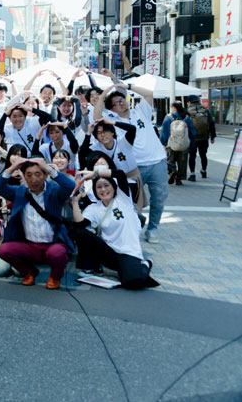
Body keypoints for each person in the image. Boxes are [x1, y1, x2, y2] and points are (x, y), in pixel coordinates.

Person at [95, 82, 168, 243]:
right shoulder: (110, 121)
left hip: (157, 162)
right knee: (131, 200)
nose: (122, 103)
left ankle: (153, 228)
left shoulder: (140, 110)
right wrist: (103, 95)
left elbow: (149, 93)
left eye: (123, 100)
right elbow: (96, 116)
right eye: (117, 103)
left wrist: (127, 86)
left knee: (159, 197)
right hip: (133, 167)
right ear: (112, 109)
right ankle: (133, 226)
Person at [0, 157, 75, 289]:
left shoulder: (54, 191)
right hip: (29, 245)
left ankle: (55, 277)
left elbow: (70, 186)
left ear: (44, 175)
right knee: (4, 250)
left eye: (38, 174)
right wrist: (13, 167)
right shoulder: (19, 192)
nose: (34, 179)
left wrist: (49, 168)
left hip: (52, 244)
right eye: (29, 175)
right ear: (24, 177)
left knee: (58, 253)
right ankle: (30, 272)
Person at [71, 171, 159, 289]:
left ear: (114, 187)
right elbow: (81, 224)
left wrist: (93, 174)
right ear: (95, 191)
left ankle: (145, 264)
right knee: (80, 232)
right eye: (99, 187)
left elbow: (120, 174)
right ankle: (92, 267)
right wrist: (75, 202)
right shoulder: (94, 208)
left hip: (128, 253)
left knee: (132, 283)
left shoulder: (123, 198)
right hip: (109, 252)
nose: (103, 189)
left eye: (106, 185)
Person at [161, 101, 196, 186]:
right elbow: (193, 132)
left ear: (173, 107)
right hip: (184, 144)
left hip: (171, 143)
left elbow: (164, 132)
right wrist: (190, 141)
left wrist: (163, 142)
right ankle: (179, 179)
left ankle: (172, 171)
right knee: (182, 162)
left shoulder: (168, 117)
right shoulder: (187, 118)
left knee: (170, 160)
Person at [186, 95, 216, 181]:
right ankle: (204, 171)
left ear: (190, 102)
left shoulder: (187, 111)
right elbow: (211, 123)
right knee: (203, 155)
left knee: (192, 156)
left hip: (192, 137)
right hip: (204, 137)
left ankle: (192, 174)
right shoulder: (206, 110)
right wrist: (212, 136)